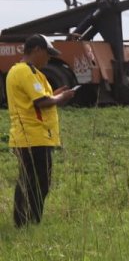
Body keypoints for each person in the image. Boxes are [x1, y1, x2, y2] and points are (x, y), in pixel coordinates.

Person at [6, 34, 75, 227]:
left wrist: (55, 95)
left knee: (35, 182)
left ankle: (28, 221)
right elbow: (41, 102)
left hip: (37, 137)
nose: (49, 58)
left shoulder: (33, 73)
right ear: (36, 50)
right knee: (34, 182)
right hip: (32, 137)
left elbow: (40, 99)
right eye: (48, 53)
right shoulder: (24, 71)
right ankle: (25, 223)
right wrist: (61, 98)